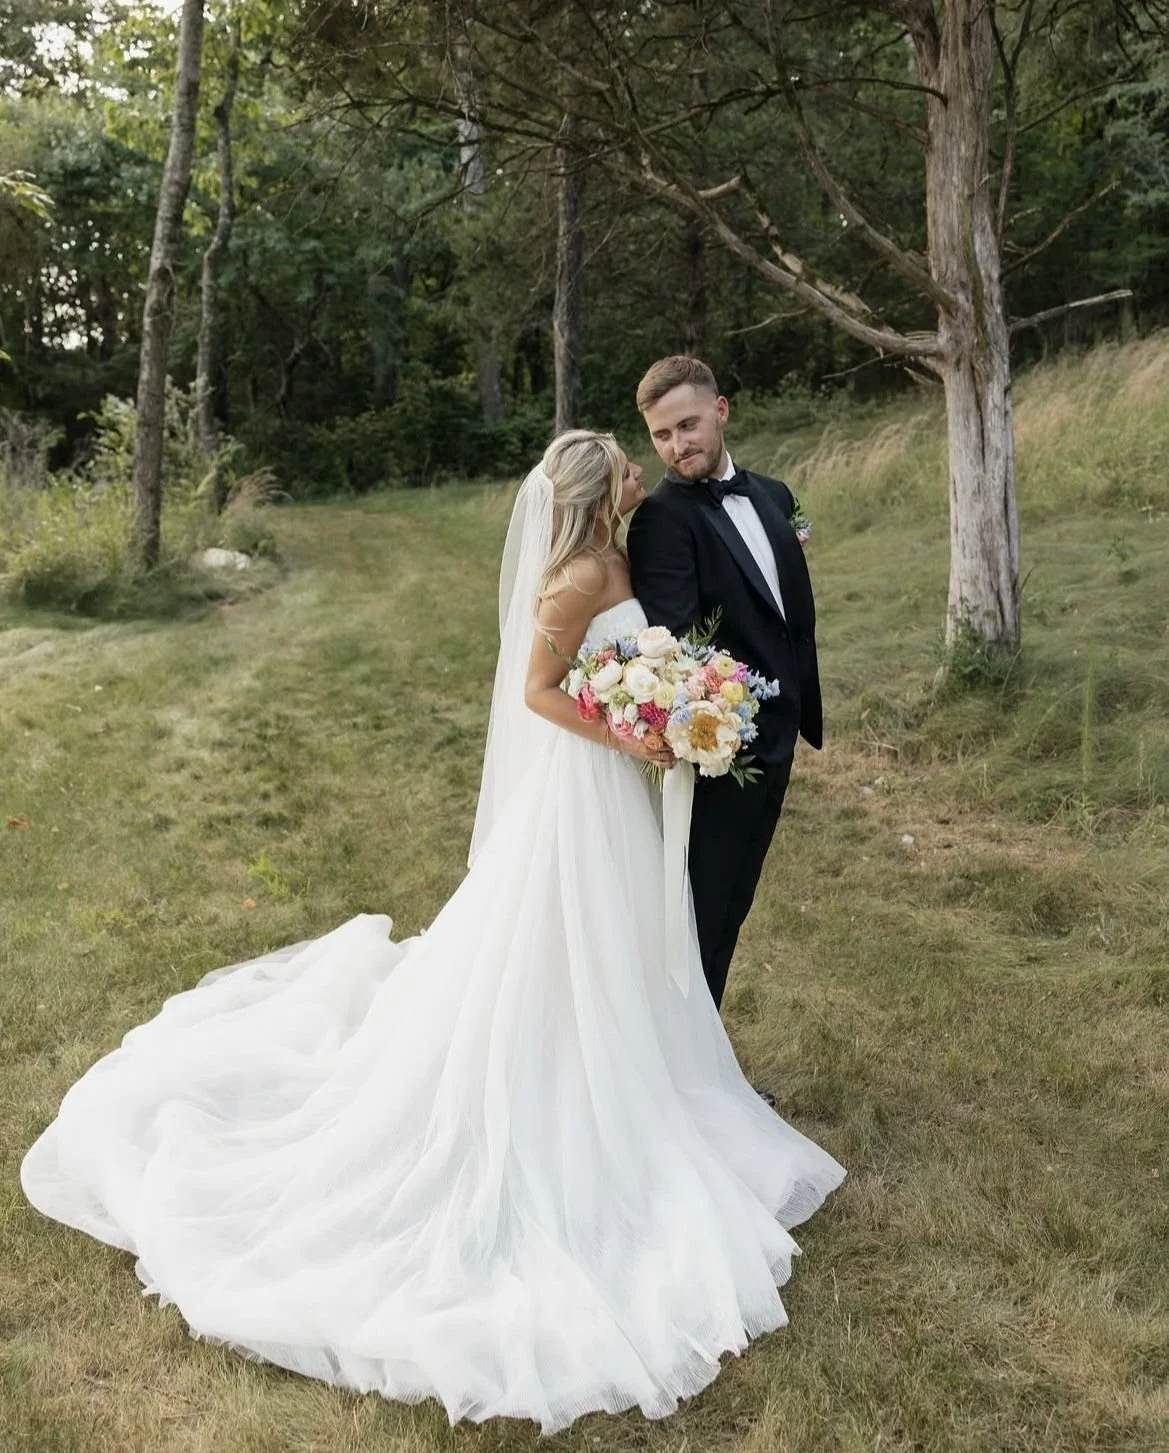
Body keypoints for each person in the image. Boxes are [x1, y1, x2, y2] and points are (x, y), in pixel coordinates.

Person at [21, 430, 844, 1435]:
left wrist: (669, 701)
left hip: (617, 787)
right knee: (558, 930)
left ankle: (622, 1057)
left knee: (620, 933)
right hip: (578, 789)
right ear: (600, 492)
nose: (643, 471)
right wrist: (627, 729)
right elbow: (539, 691)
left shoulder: (618, 553)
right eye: (627, 467)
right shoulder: (577, 576)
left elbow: (629, 652)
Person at [628, 358, 823, 1012]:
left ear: (721, 410)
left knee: (734, 906)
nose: (676, 445)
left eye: (687, 425)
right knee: (701, 916)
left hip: (781, 736)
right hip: (719, 754)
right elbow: (680, 649)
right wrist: (725, 736)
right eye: (660, 435)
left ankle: (700, 1051)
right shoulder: (660, 520)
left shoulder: (774, 494)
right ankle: (683, 1058)